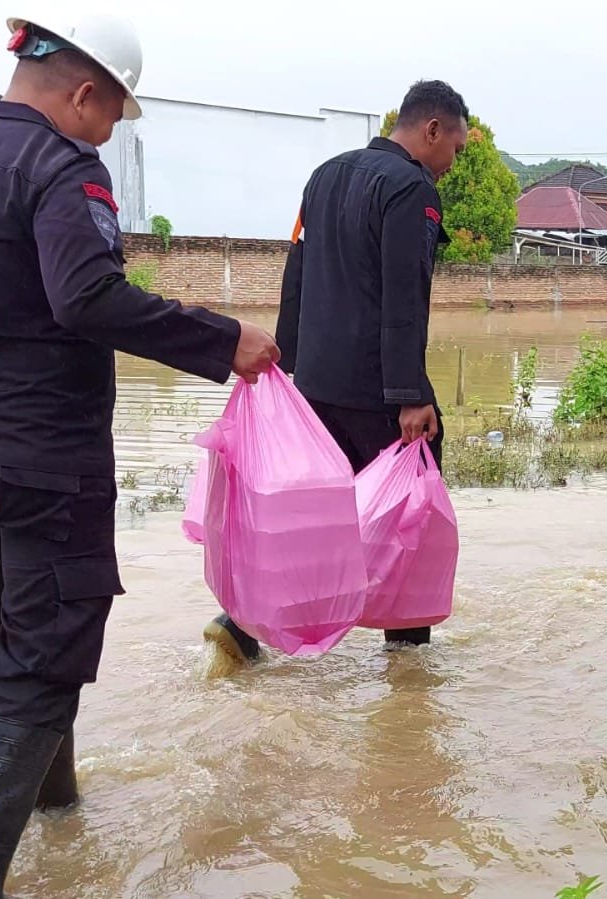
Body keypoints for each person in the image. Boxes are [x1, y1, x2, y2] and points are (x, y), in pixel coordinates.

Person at [0, 14, 279, 897]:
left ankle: (58, 812)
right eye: (113, 114)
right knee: (39, 666)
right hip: (47, 459)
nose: (109, 133)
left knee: (29, 643)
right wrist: (224, 339)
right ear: (83, 93)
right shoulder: (64, 169)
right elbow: (87, 297)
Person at [202, 80, 468, 663]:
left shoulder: (323, 176)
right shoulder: (412, 188)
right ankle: (408, 666)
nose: (452, 163)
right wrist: (410, 395)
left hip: (318, 388)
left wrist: (287, 363)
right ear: (431, 131)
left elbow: (295, 270)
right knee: (412, 519)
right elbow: (405, 296)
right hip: (378, 392)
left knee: (321, 519)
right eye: (456, 146)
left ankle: (242, 628)